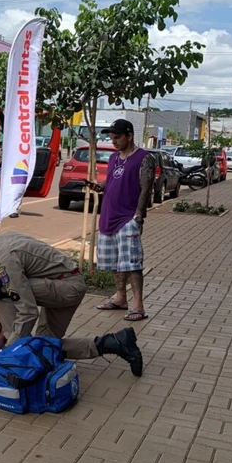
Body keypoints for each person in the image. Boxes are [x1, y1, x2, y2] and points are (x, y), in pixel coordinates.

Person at [0, 230, 143, 376]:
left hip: (66, 287)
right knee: (45, 346)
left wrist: (7, 354)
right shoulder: (3, 239)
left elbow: (27, 312)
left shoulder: (4, 261)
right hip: (66, 283)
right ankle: (116, 343)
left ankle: (13, 355)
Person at [85, 119, 154, 322]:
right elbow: (115, 181)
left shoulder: (144, 158)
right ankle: (120, 297)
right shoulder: (114, 157)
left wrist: (139, 215)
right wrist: (101, 187)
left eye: (117, 137)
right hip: (109, 216)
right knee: (115, 262)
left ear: (129, 136)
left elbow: (146, 187)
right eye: (112, 138)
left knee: (132, 263)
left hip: (128, 218)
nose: (114, 142)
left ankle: (138, 305)